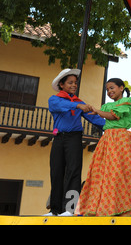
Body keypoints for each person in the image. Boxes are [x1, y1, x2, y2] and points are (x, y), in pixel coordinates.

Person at [77, 78, 131, 216]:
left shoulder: (126, 102)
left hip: (119, 138)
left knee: (117, 171)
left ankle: (123, 207)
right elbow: (106, 116)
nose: (109, 91)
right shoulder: (109, 105)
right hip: (108, 138)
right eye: (107, 89)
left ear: (121, 88)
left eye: (112, 88)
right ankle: (103, 207)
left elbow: (113, 117)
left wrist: (97, 111)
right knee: (102, 171)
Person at [45, 69, 105, 216]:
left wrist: (113, 126)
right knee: (56, 172)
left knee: (73, 171)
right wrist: (78, 106)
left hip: (74, 138)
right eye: (70, 82)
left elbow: (95, 120)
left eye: (75, 83)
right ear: (61, 84)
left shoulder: (80, 103)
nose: (74, 85)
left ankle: (70, 209)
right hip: (59, 138)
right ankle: (54, 210)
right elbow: (59, 106)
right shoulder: (55, 99)